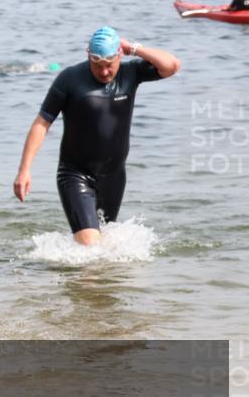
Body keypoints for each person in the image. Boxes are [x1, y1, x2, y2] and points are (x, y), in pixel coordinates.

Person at [13, 26, 180, 245]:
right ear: (88, 56)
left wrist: (134, 48)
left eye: (109, 65)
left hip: (114, 176)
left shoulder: (130, 73)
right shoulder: (69, 79)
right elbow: (41, 123)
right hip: (75, 175)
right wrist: (24, 169)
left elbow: (171, 66)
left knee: (105, 247)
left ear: (119, 56)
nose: (103, 72)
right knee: (90, 246)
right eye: (97, 65)